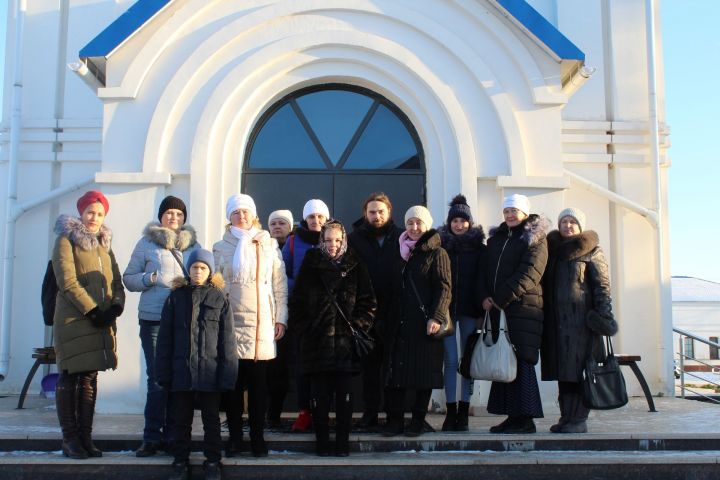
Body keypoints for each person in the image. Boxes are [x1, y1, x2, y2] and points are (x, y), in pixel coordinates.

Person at [123, 195, 201, 457]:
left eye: (179, 214)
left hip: (182, 321)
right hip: (153, 319)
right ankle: (151, 437)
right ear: (161, 216)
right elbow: (129, 278)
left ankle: (172, 436)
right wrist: (149, 278)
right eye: (169, 213)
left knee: (178, 379)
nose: (174, 218)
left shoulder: (193, 246)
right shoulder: (146, 243)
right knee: (157, 380)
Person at [290, 220, 376, 456]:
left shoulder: (354, 262)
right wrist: (306, 328)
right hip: (316, 342)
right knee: (320, 396)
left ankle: (342, 443)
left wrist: (357, 327)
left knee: (345, 396)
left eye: (337, 239)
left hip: (345, 343)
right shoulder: (311, 261)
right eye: (328, 239)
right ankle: (322, 443)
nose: (332, 244)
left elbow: (368, 301)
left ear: (344, 239)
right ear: (322, 240)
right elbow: (296, 301)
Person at [213, 194, 288, 457]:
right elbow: (216, 287)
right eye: (236, 213)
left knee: (258, 390)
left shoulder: (268, 244)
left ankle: (257, 438)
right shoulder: (220, 247)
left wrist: (281, 318)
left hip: (261, 326)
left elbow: (279, 285)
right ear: (229, 217)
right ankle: (235, 438)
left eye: (246, 212)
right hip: (231, 324)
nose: (241, 217)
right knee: (233, 389)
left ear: (253, 215)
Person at [52, 190, 125, 459]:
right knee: (71, 377)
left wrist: (116, 305)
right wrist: (92, 310)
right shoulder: (66, 240)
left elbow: (116, 280)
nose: (94, 218)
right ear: (81, 213)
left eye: (100, 213)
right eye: (90, 212)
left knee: (90, 378)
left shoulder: (105, 244)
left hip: (99, 321)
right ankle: (69, 439)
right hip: (74, 320)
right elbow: (67, 281)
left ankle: (85, 437)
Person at [156, 249, 238, 480]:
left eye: (203, 268)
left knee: (211, 421)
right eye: (194, 267)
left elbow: (227, 341)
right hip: (181, 372)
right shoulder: (176, 297)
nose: (198, 271)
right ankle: (180, 461)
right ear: (188, 270)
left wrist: (227, 375)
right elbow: (165, 339)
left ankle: (213, 461)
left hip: (210, 375)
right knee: (180, 420)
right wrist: (163, 372)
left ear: (210, 271)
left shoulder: (219, 298)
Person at [541, 208, 618, 433]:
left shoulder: (592, 251)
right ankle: (566, 417)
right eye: (564, 221)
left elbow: (603, 287)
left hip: (582, 323)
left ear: (580, 226)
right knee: (563, 372)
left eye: (572, 222)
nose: (567, 226)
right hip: (556, 323)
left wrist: (602, 317)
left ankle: (579, 419)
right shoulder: (553, 251)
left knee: (580, 371)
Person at [478, 194, 549, 434]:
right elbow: (486, 270)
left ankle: (526, 418)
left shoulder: (535, 239)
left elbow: (530, 274)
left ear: (525, 213)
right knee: (504, 361)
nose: (510, 215)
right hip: (500, 310)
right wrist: (486, 296)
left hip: (524, 309)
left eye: (514, 211)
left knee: (522, 361)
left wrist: (498, 299)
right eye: (507, 210)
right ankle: (512, 417)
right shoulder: (497, 239)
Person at [382, 206, 451, 437]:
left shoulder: (437, 252)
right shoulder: (398, 250)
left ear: (427, 225)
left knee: (423, 374)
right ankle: (395, 421)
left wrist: (437, 317)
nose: (414, 228)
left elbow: (444, 288)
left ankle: (418, 421)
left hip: (423, 324)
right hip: (398, 323)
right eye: (410, 222)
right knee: (396, 374)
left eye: (418, 223)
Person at [347, 192, 403, 428]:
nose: (376, 216)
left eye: (381, 211)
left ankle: (393, 415)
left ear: (389, 212)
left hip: (395, 312)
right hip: (366, 314)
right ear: (365, 213)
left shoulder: (402, 237)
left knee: (392, 368)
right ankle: (370, 413)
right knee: (370, 369)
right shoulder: (353, 238)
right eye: (372, 212)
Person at [437, 194, 486, 431]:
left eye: (463, 221)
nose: (459, 225)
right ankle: (451, 410)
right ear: (449, 223)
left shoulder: (479, 248)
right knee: (450, 360)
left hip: (469, 311)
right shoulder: (441, 246)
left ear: (469, 222)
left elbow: (483, 280)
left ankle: (464, 411)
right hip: (446, 312)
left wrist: (480, 312)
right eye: (454, 221)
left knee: (467, 361)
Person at [282, 199, 330, 432]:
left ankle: (323, 410)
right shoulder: (293, 242)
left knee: (325, 365)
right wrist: (302, 286)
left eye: (320, 217)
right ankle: (304, 412)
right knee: (302, 364)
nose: (316, 221)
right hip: (301, 312)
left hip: (328, 313)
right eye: (312, 217)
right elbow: (283, 274)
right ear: (305, 219)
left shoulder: (333, 239)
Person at [265, 209, 294, 427]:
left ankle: (277, 415)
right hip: (266, 317)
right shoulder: (263, 248)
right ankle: (267, 415)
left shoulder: (296, 248)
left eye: (282, 223)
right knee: (268, 370)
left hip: (293, 317)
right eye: (273, 223)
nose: (277, 227)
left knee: (285, 369)